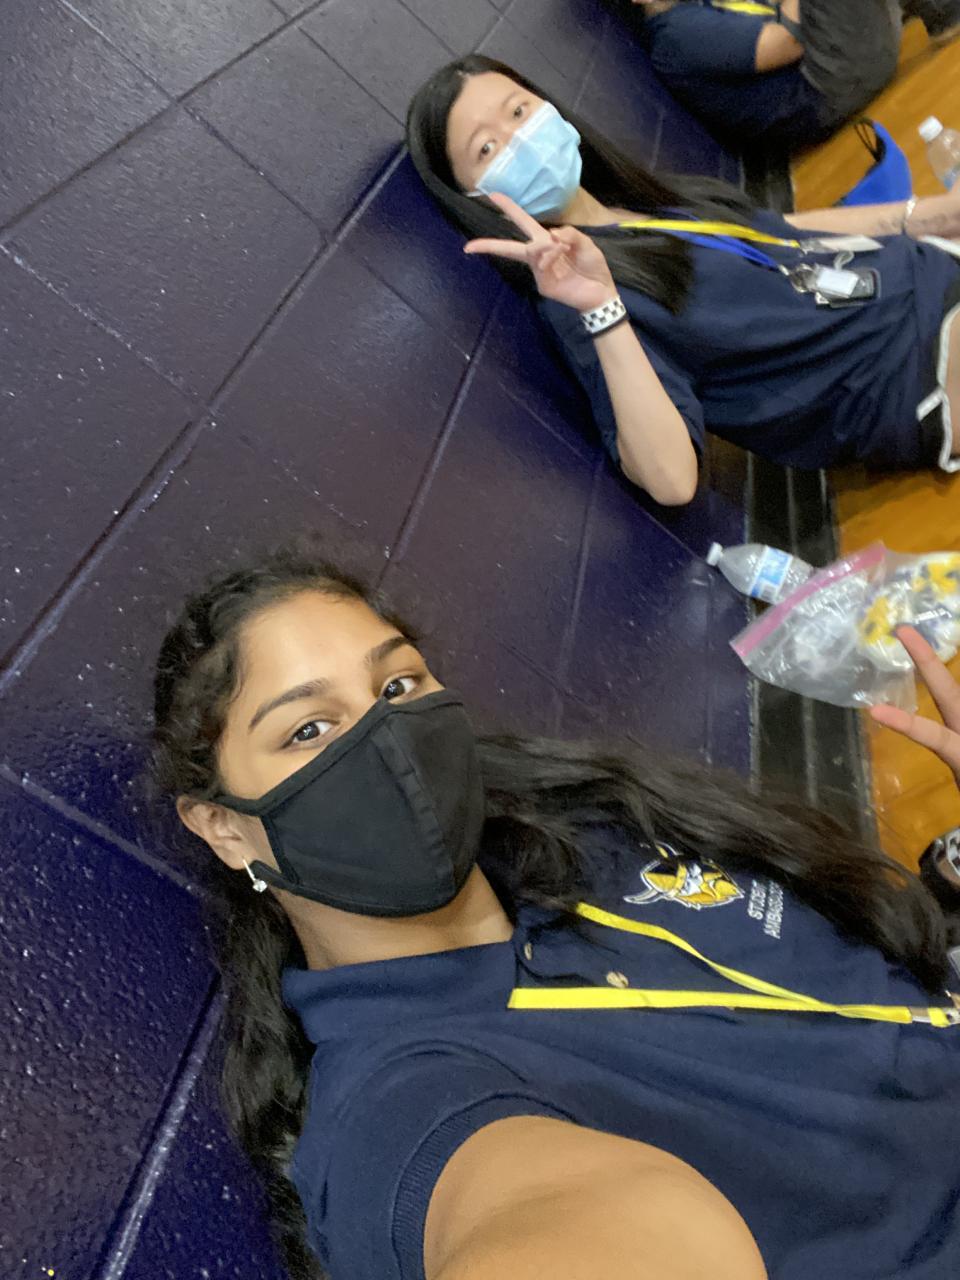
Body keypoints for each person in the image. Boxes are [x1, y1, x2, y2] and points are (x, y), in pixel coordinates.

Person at [152, 543, 960, 1280]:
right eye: (309, 729)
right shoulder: (399, 1107)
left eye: (397, 686)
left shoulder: (587, 825)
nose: (387, 742)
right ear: (225, 827)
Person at [405, 55, 960, 507]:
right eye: (487, 149)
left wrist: (927, 214)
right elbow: (672, 481)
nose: (520, 139)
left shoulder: (643, 202)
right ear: (476, 199)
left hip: (924, 271)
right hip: (912, 367)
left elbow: (786, 235)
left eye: (518, 110)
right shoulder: (575, 297)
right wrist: (600, 307)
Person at [623, 0, 960, 150]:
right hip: (826, 87)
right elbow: (788, 42)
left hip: (837, 66)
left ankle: (944, 12)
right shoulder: (678, 34)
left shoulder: (695, 10)